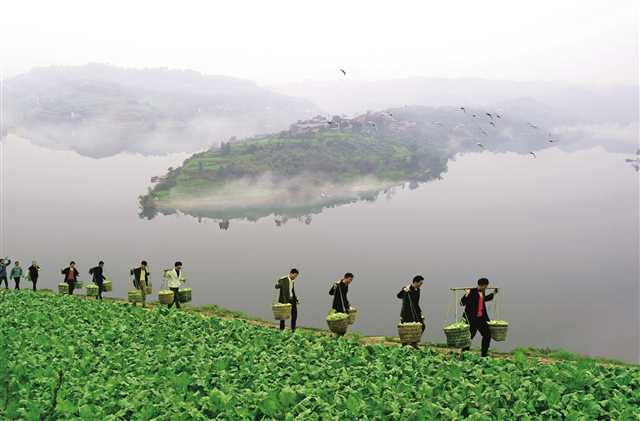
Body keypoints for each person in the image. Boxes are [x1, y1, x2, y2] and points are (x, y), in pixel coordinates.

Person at [460, 277, 499, 357]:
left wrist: (493, 293)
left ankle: (484, 354)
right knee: (469, 337)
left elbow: (483, 299)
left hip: (481, 318)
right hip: (471, 319)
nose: (486, 288)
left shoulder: (482, 292)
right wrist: (466, 294)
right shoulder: (471, 292)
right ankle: (464, 354)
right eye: (486, 286)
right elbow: (462, 303)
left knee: (487, 334)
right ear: (483, 285)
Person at [397, 275, 426, 348]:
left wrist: (421, 313)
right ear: (415, 282)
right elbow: (398, 296)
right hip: (406, 313)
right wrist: (404, 289)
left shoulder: (418, 290)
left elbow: (416, 303)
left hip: (416, 312)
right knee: (406, 329)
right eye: (420, 283)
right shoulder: (407, 289)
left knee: (422, 326)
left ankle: (414, 342)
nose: (421, 285)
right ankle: (405, 345)